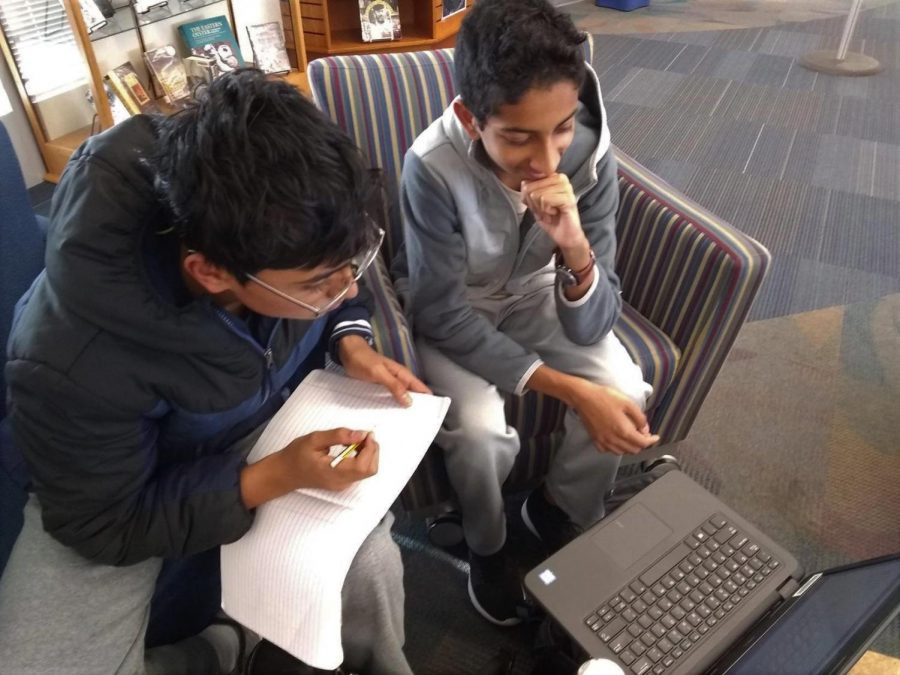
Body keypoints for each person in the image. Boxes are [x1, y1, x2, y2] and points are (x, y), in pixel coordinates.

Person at [0, 69, 427, 674]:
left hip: (248, 424)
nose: (347, 286)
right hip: (116, 487)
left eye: (349, 265)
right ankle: (220, 649)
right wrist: (268, 477)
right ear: (211, 273)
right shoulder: (69, 361)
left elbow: (336, 281)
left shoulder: (290, 232)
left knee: (372, 564)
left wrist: (348, 336)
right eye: (317, 287)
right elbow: (102, 522)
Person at [394, 0, 659, 627]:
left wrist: (574, 247)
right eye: (518, 135)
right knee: (482, 433)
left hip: (539, 288)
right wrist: (566, 387)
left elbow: (592, 324)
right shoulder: (429, 167)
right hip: (457, 308)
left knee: (623, 386)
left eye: (560, 127)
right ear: (469, 117)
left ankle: (561, 506)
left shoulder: (591, 155)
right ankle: (488, 545)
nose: (546, 159)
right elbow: (439, 313)